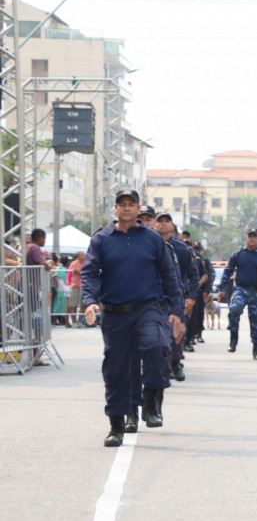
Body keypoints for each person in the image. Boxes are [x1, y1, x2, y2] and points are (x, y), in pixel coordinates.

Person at [80, 190, 184, 447]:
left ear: (138, 209)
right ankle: (116, 424)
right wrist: (90, 301)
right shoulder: (102, 239)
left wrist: (177, 312)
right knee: (117, 370)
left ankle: (151, 399)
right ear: (115, 209)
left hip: (147, 307)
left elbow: (169, 275)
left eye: (131, 205)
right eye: (122, 205)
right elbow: (90, 272)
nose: (127, 209)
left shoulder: (152, 239)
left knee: (157, 345)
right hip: (114, 313)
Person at [217, 227, 257, 360]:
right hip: (240, 289)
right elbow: (228, 271)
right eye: (250, 236)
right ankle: (233, 337)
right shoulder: (238, 254)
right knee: (234, 309)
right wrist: (221, 288)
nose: (252, 239)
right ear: (246, 238)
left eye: (254, 236)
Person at [155, 212, 199, 382]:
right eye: (160, 221)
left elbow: (193, 275)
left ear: (172, 226)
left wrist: (191, 297)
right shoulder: (149, 245)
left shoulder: (181, 249)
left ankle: (175, 362)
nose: (163, 224)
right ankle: (160, 368)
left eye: (167, 221)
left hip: (175, 297)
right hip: (153, 296)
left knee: (176, 334)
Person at [65, 252, 84, 327]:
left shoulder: (86, 263)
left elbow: (82, 272)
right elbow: (78, 271)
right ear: (78, 256)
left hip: (83, 287)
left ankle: (79, 321)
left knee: (83, 305)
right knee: (73, 305)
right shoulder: (74, 263)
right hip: (74, 286)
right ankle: (74, 322)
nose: (85, 256)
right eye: (83, 255)